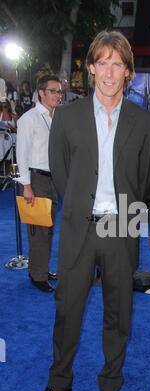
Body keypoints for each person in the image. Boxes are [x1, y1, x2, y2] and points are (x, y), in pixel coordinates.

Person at [27, 30, 150, 391]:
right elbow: (62, 175)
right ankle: (59, 380)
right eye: (103, 62)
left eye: (117, 63)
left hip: (121, 229)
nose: (109, 71)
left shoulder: (145, 122)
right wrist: (82, 209)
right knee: (67, 307)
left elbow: (147, 178)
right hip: (79, 229)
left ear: (128, 72)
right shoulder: (66, 117)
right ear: (92, 68)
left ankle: (110, 385)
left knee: (119, 312)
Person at [16, 75, 62, 292]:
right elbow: (21, 154)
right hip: (37, 180)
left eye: (59, 91)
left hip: (53, 180)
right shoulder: (29, 119)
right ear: (41, 93)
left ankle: (41, 268)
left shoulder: (57, 118)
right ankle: (37, 275)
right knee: (38, 231)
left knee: (49, 228)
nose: (57, 95)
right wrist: (26, 185)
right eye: (53, 91)